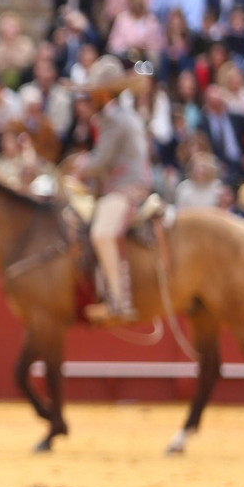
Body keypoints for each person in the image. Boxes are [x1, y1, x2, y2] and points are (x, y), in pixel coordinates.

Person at [80, 56, 154, 323]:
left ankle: (118, 302)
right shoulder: (119, 115)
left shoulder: (115, 119)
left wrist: (78, 166)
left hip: (127, 186)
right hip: (122, 183)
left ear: (103, 93)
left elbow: (101, 161)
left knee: (102, 233)